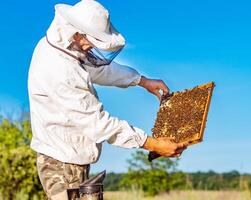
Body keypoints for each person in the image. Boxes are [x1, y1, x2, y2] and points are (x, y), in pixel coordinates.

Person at [28, 0, 187, 199]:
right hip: (61, 163)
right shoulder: (60, 69)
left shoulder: (66, 48)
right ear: (77, 33)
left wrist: (142, 81)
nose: (91, 49)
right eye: (92, 43)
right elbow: (98, 124)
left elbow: (100, 69)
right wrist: (151, 144)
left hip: (70, 157)